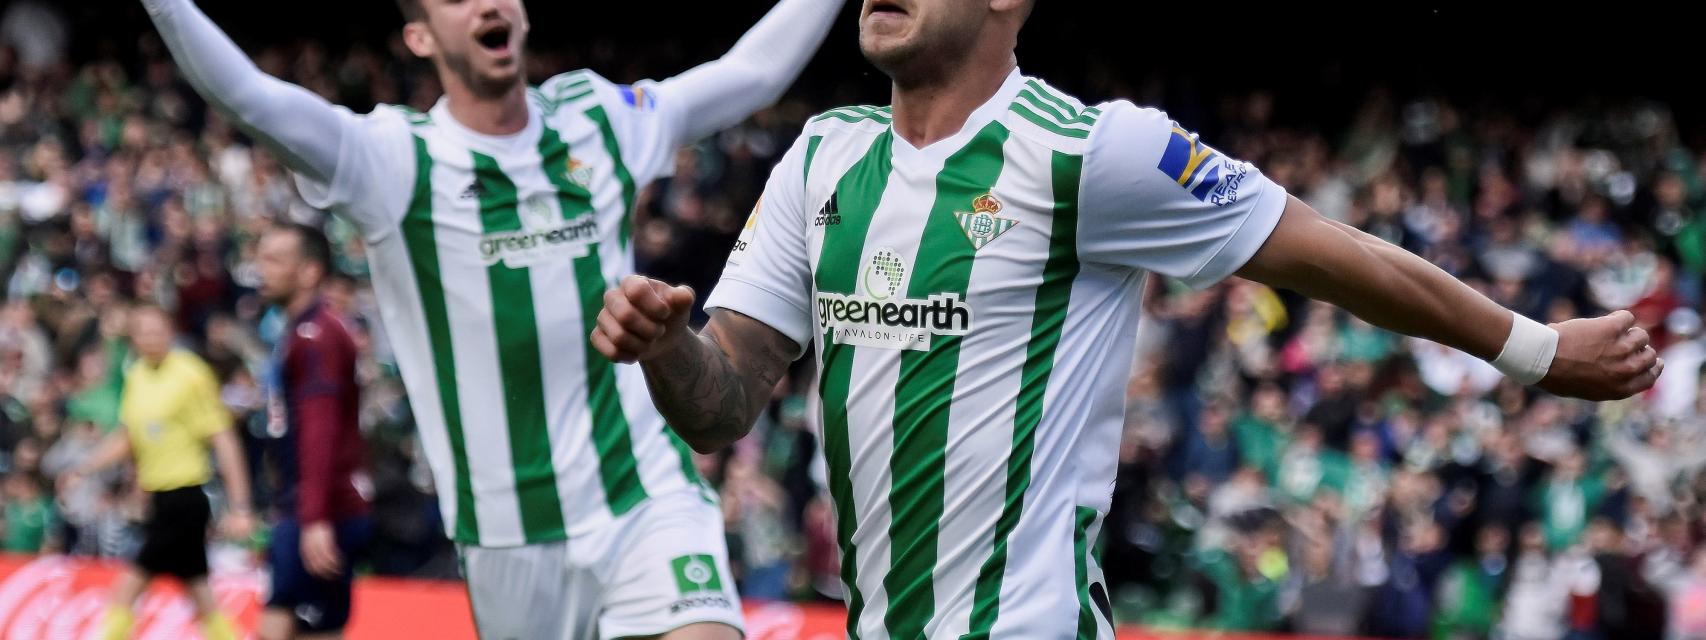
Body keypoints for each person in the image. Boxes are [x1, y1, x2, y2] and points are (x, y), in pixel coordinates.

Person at [594, 1, 1665, 637]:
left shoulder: (1089, 152)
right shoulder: (822, 155)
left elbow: (1335, 257)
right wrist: (663, 346)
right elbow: (722, 404)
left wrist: (1531, 347)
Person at [139, 0, 843, 635]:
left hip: (642, 495)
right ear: (419, 35)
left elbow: (751, 72)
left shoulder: (597, 119)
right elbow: (249, 97)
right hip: (506, 536)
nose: (486, 3)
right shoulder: (393, 160)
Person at [62, 305, 254, 640]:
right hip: (160, 500)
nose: (151, 338)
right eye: (143, 332)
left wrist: (240, 506)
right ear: (133, 339)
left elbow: (223, 438)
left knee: (128, 589)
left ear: (170, 331)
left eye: (157, 330)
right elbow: (128, 437)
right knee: (202, 596)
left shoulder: (191, 373)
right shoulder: (136, 375)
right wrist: (84, 468)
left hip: (185, 498)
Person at [255, 223, 369, 640]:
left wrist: (314, 517)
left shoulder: (314, 335)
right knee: (319, 629)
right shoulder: (308, 330)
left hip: (318, 510)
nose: (260, 269)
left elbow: (320, 429)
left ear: (309, 271)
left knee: (276, 623)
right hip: (322, 506)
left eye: (274, 260)